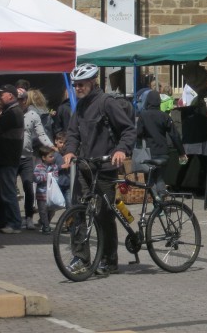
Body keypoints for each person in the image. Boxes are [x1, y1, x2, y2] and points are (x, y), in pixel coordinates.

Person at [62, 64, 137, 276]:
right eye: (75, 85)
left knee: (103, 214)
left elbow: (128, 130)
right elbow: (73, 133)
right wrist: (69, 151)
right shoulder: (81, 106)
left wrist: (121, 149)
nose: (77, 88)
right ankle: (80, 258)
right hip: (85, 166)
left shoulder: (106, 103)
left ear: (92, 81)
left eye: (81, 84)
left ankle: (109, 259)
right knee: (79, 211)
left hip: (104, 168)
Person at [0, 84, 25, 234]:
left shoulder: (13, 112)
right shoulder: (11, 111)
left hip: (8, 159)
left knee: (8, 192)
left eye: (2, 94)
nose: (0, 97)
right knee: (2, 191)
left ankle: (15, 223)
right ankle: (2, 221)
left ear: (10, 96)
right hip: (4, 158)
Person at [137, 89, 188, 195]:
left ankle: (158, 204)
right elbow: (175, 135)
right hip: (163, 152)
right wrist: (181, 152)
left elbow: (138, 134)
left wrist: (137, 147)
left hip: (149, 152)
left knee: (150, 179)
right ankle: (161, 202)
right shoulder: (165, 116)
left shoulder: (143, 116)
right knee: (159, 178)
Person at [19, 88, 54, 229]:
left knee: (28, 186)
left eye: (23, 99)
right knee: (9, 188)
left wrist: (53, 147)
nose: (21, 101)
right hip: (11, 157)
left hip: (27, 157)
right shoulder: (11, 114)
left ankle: (28, 217)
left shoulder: (33, 114)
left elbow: (41, 134)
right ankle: (11, 218)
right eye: (19, 99)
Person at [32, 146, 60, 234]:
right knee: (43, 211)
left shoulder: (54, 167)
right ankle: (46, 226)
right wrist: (47, 176)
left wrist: (52, 177)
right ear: (44, 158)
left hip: (51, 194)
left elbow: (56, 178)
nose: (53, 158)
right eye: (50, 156)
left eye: (53, 156)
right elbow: (36, 179)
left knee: (52, 211)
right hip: (42, 194)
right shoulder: (38, 167)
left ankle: (44, 222)